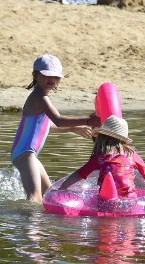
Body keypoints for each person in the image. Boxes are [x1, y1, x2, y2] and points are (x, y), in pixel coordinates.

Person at [10, 54, 101, 203]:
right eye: (47, 75)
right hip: (26, 154)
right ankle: (29, 225)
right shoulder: (40, 98)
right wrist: (88, 120)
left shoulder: (41, 97)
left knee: (48, 195)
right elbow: (58, 120)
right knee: (34, 198)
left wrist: (74, 129)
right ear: (35, 75)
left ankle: (43, 223)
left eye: (55, 77)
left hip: (27, 154)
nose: (51, 80)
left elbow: (48, 126)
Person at [58, 115, 145, 198]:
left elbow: (80, 173)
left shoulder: (100, 157)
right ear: (122, 140)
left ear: (101, 137)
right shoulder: (131, 154)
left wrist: (63, 187)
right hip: (130, 198)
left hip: (106, 198)